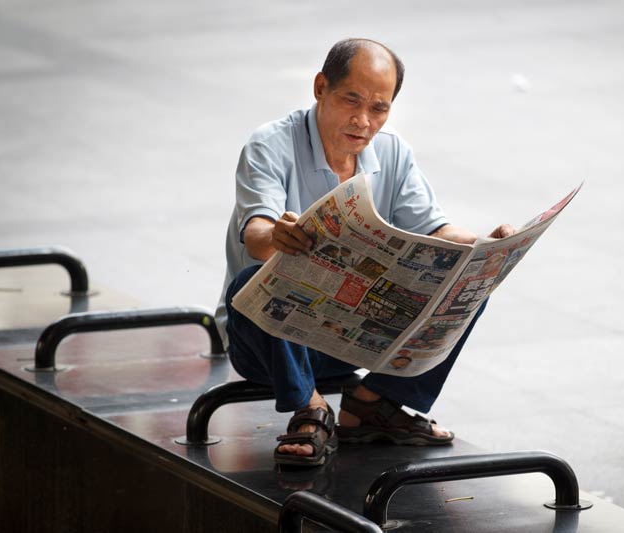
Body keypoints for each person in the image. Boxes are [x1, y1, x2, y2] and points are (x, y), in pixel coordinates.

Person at [216, 38, 515, 467]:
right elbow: (256, 233)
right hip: (268, 344)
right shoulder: (270, 144)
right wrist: (278, 237)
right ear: (321, 88)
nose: (363, 121)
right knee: (255, 280)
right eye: (351, 100)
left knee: (467, 285)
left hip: (354, 339)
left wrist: (485, 246)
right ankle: (311, 410)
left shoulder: (393, 151)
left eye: (379, 108)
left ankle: (373, 403)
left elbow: (436, 229)